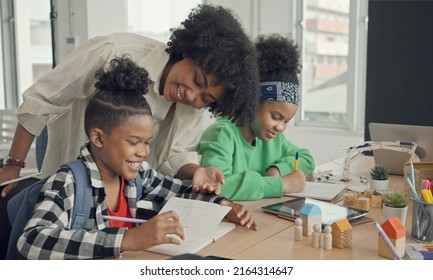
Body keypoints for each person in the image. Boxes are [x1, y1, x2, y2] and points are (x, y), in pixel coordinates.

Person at [0, 4, 259, 198]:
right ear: (189, 51)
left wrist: (196, 172)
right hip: (70, 142)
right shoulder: (114, 52)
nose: (192, 96)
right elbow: (41, 100)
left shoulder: (192, 108)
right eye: (197, 80)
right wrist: (13, 167)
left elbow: (175, 154)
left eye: (206, 98)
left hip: (121, 180)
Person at [16, 56, 257, 260]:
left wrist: (223, 206)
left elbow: (181, 192)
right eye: (133, 142)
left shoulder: (138, 175)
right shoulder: (68, 181)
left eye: (147, 143)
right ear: (98, 138)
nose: (144, 152)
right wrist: (128, 239)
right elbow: (32, 239)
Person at [197, 34, 315, 200]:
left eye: (286, 121)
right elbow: (215, 186)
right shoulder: (222, 134)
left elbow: (306, 159)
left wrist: (277, 170)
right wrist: (281, 184)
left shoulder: (274, 139)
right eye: (275, 117)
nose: (280, 127)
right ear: (252, 100)